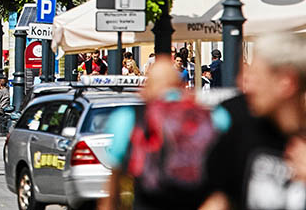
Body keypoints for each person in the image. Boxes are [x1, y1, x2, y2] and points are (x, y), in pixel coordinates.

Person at [100, 57, 225, 210]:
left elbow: (113, 188)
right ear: (183, 86)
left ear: (146, 89)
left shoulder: (129, 119)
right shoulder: (214, 117)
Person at [201, 33, 306, 209]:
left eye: (256, 76)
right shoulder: (242, 128)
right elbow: (220, 199)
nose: (246, 86)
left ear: (286, 82)